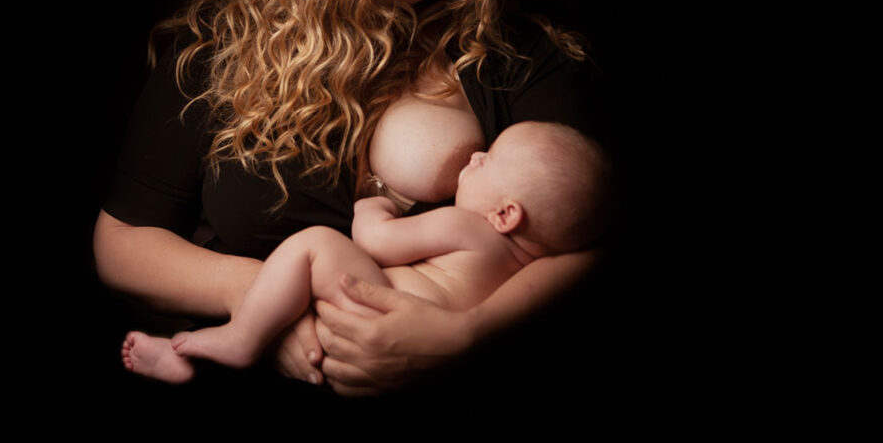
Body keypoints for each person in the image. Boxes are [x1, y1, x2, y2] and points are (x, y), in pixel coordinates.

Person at [94, 0, 608, 397]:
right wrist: (263, 303)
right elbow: (120, 239)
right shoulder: (219, 42)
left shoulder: (508, 40)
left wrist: (464, 334)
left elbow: (594, 237)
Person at [120, 121, 609, 384]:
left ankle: (239, 338)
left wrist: (373, 206)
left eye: (489, 160)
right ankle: (183, 354)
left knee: (315, 246)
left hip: (375, 302)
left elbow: (376, 243)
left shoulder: (468, 226)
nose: (476, 156)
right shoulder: (531, 272)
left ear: (506, 216)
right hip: (407, 358)